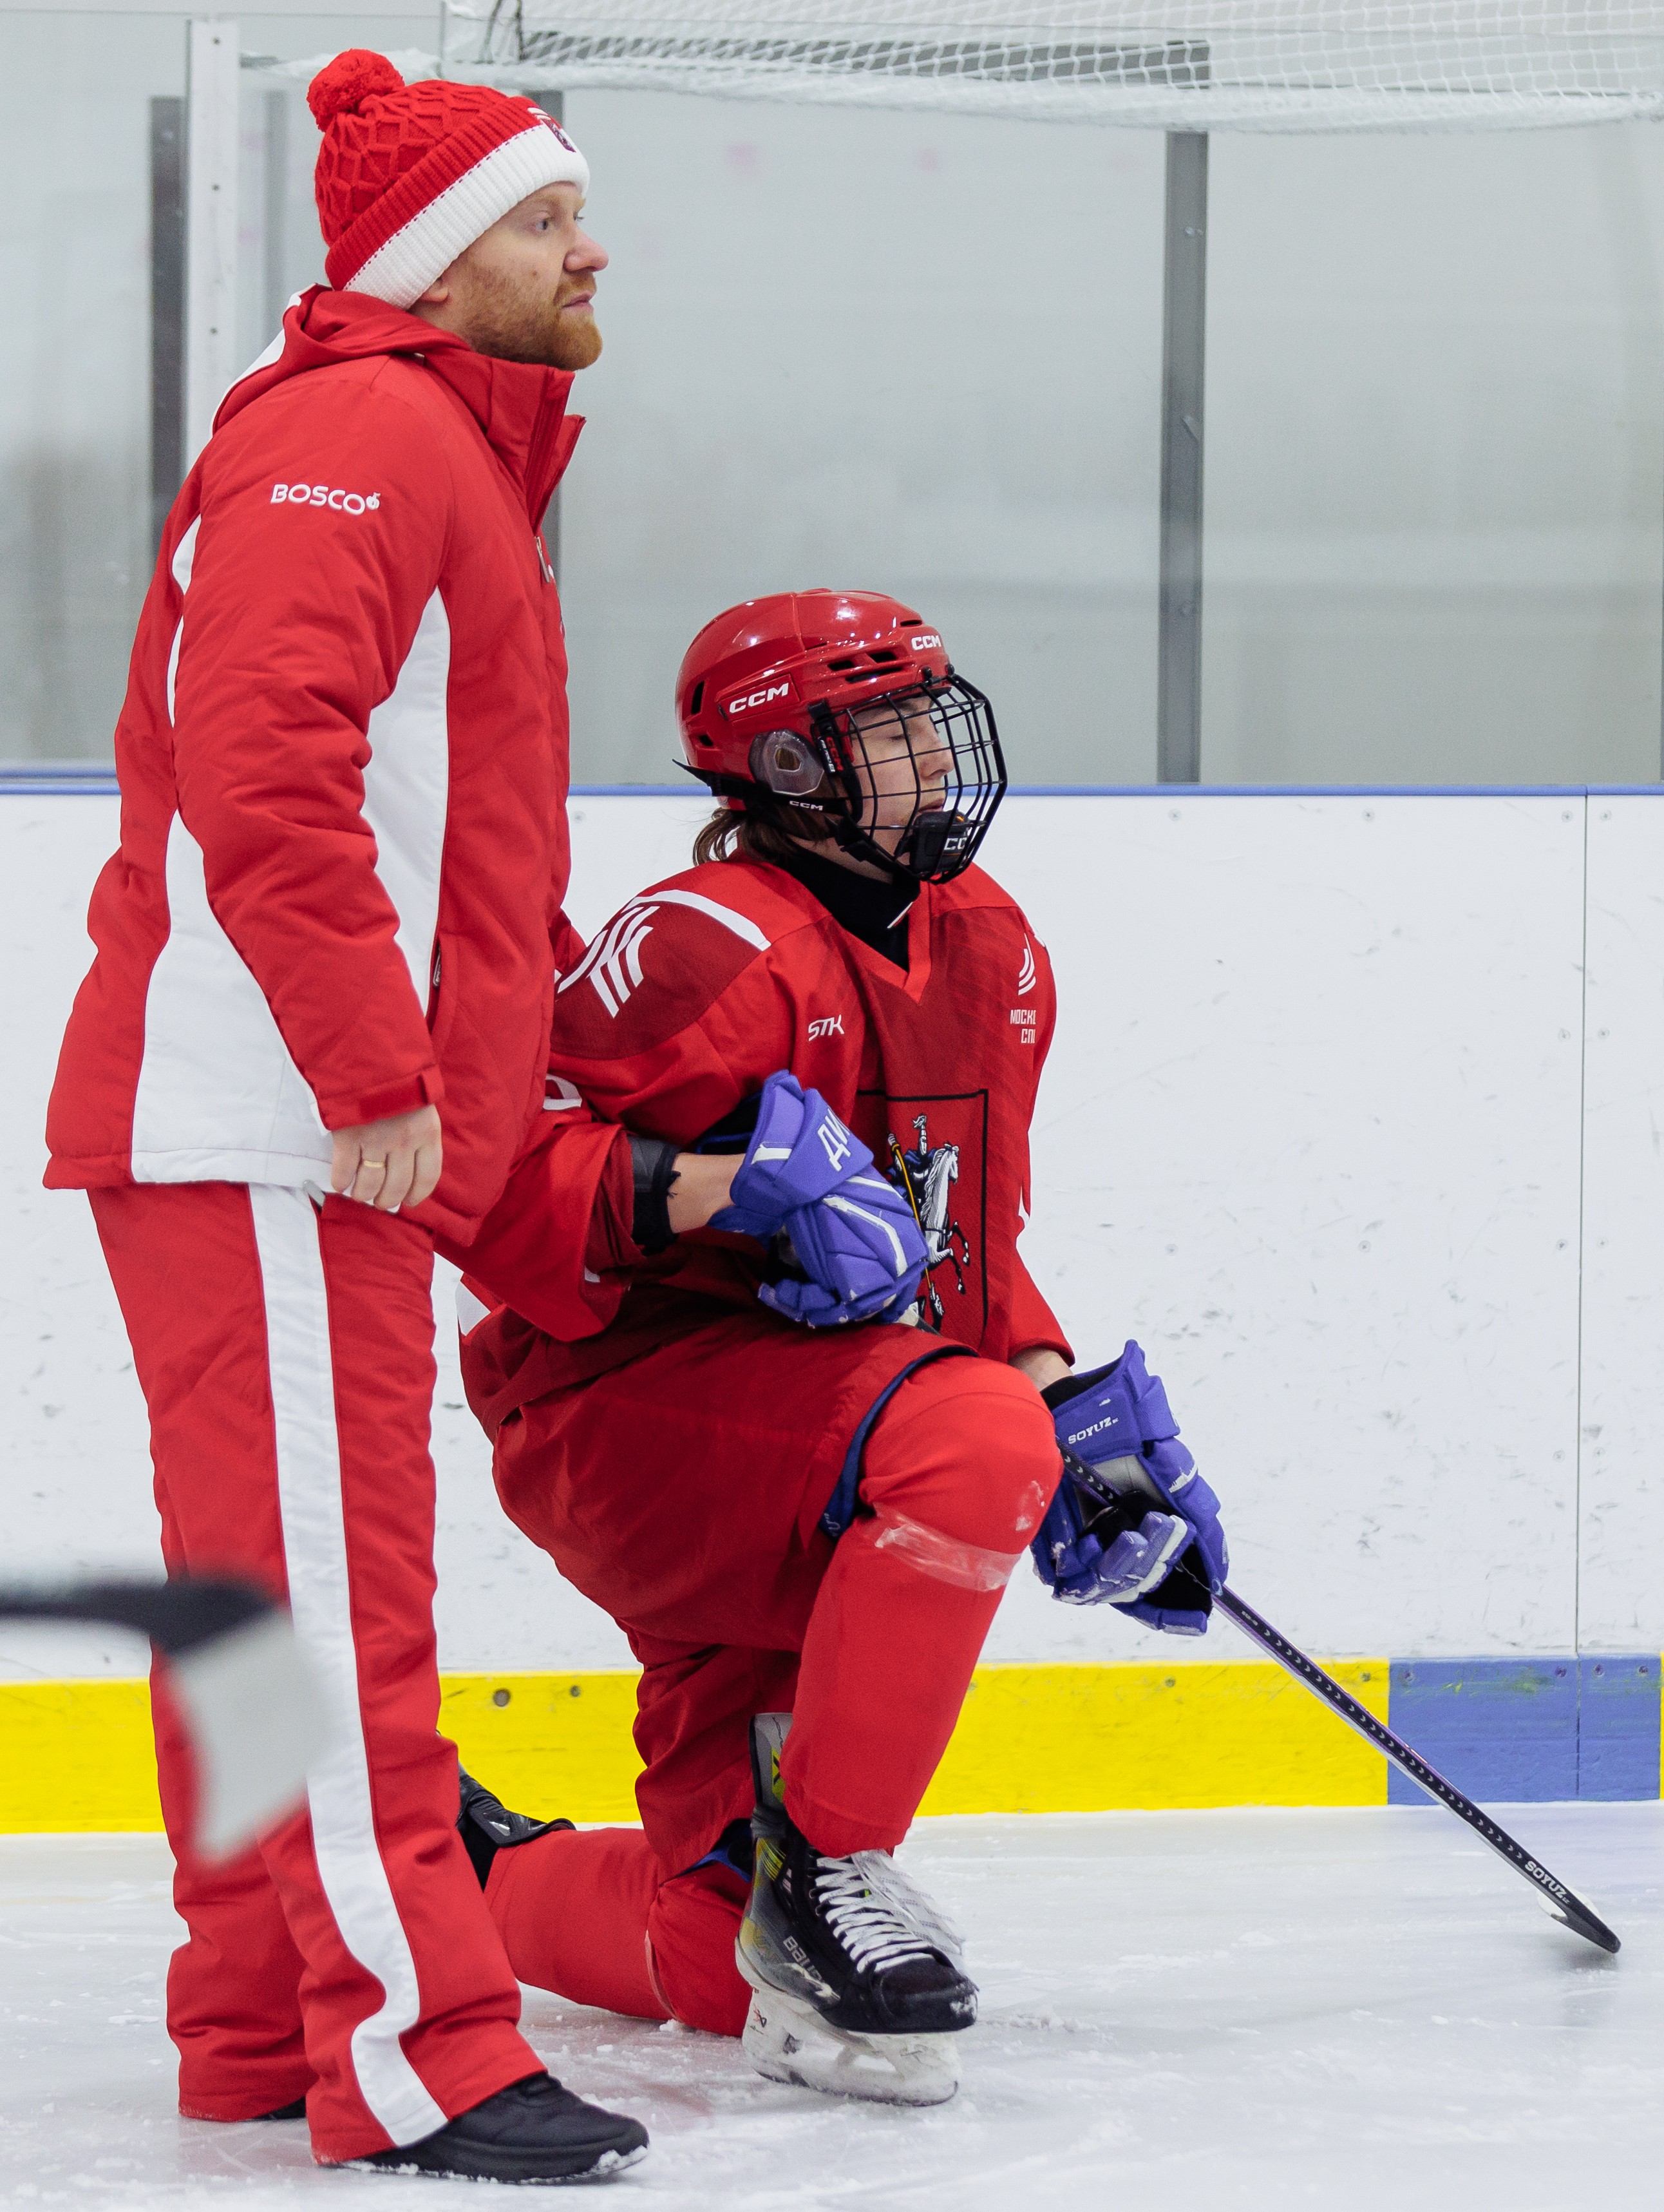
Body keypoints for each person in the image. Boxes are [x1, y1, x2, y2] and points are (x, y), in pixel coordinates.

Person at [43, 49, 651, 2184]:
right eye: (541, 220)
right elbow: (263, 775)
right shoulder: (369, 431)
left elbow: (438, 822)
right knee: (328, 1603)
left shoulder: (431, 450)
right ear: (428, 259)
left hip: (282, 1115)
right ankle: (420, 2053)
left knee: (254, 1594)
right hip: (286, 1120)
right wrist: (376, 1074)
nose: (590, 249)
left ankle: (253, 2021)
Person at [451, 591, 1229, 2105]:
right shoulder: (702, 944)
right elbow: (491, 1166)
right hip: (623, 1414)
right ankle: (834, 1870)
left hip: (820, 1435)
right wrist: (713, 1186)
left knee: (701, 1947)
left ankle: (451, 1857)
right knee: (968, 1445)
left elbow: (963, 1257)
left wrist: (1076, 1420)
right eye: (884, 731)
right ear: (786, 767)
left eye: (933, 719)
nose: (933, 761)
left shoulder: (988, 949)